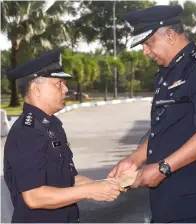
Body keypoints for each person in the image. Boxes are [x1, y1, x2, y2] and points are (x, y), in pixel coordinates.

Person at [108, 5, 196, 223]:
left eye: (148, 43)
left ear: (172, 36)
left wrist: (163, 168)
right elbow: (164, 128)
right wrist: (134, 159)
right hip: (168, 199)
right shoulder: (166, 75)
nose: (145, 51)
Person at [4, 50, 124, 223]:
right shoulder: (27, 132)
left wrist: (104, 185)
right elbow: (34, 197)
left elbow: (69, 180)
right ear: (36, 89)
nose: (66, 89)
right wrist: (91, 191)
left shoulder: (52, 125)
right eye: (58, 83)